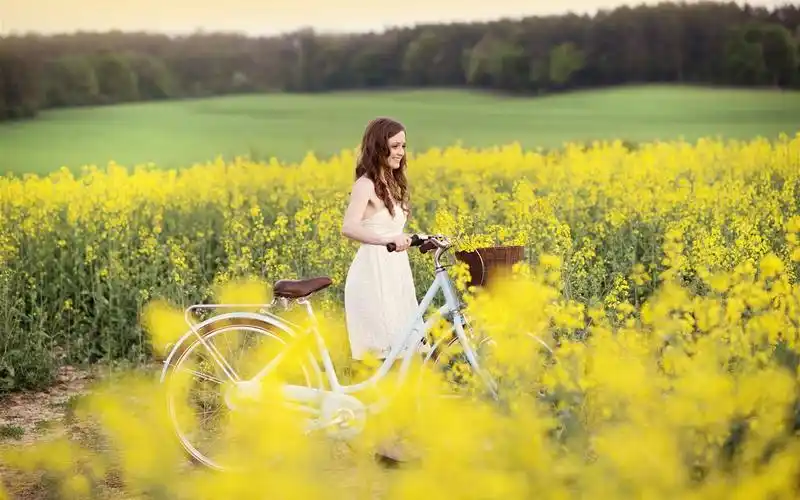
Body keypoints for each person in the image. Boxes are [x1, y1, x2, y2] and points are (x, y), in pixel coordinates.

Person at [341, 116, 421, 364]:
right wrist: (385, 241)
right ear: (378, 147)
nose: (401, 152)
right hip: (373, 274)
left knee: (407, 350)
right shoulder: (365, 185)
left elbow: (393, 228)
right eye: (395, 146)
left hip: (396, 273)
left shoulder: (394, 184)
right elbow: (349, 227)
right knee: (382, 355)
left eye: (403, 146)